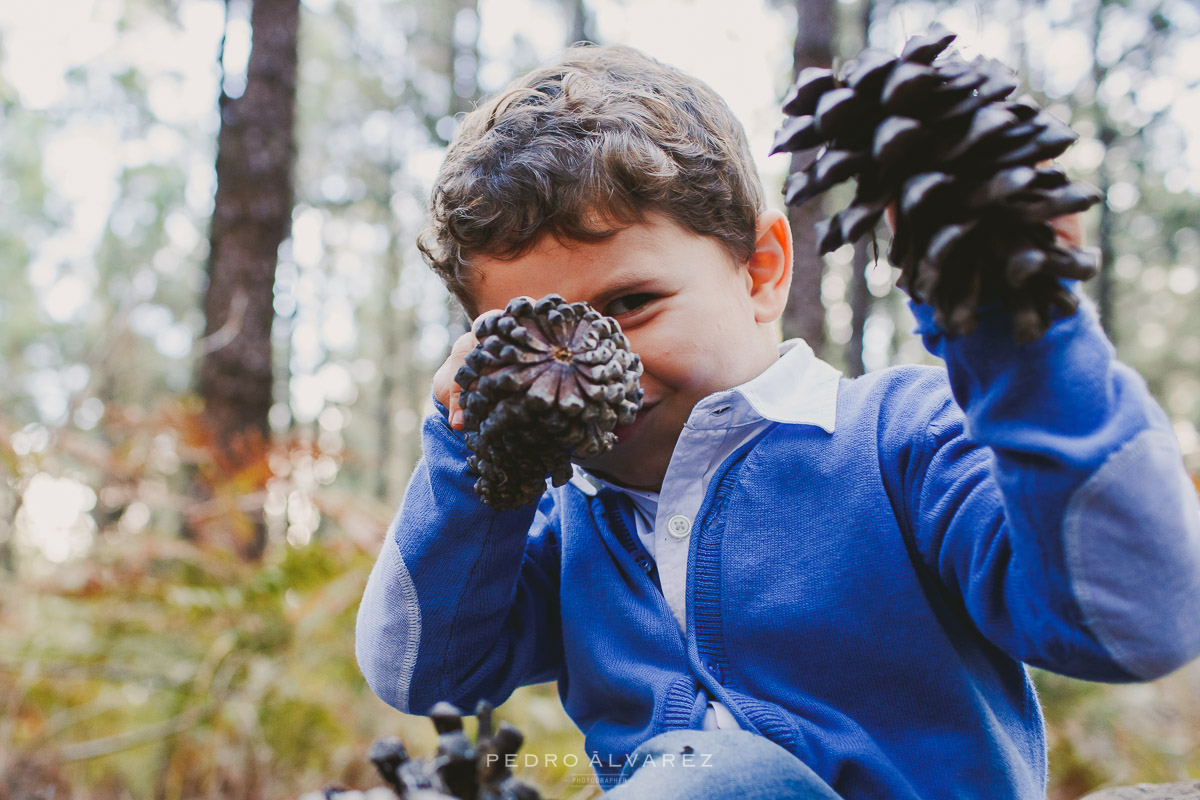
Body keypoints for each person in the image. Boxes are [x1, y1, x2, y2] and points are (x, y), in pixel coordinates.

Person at [355, 44, 1200, 799]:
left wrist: (1020, 343)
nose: (587, 360)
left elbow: (1140, 619)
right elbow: (420, 671)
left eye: (633, 303)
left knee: (727, 774)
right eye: (539, 336)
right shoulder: (564, 524)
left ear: (763, 271)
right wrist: (475, 451)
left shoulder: (900, 439)